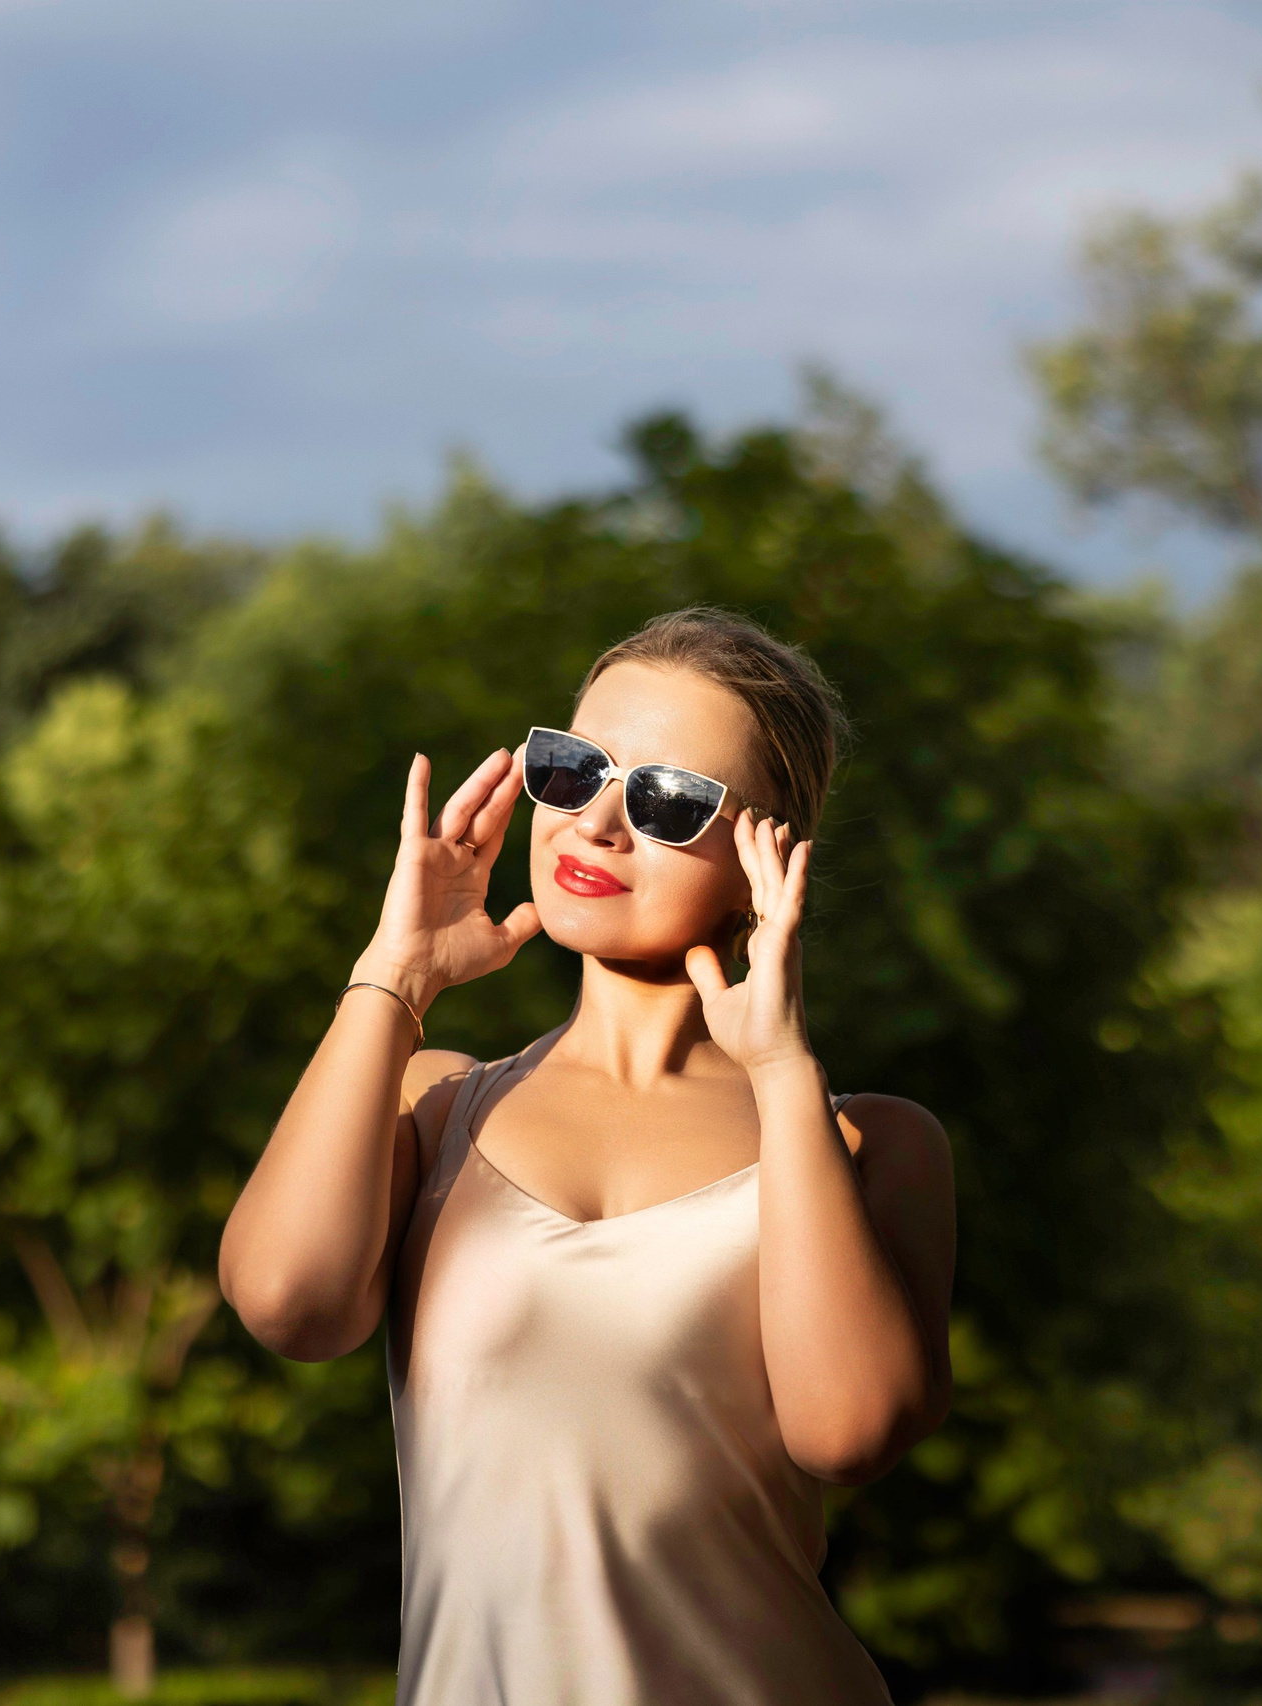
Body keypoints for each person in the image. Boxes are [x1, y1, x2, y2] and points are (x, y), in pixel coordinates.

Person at [218, 607, 957, 1705]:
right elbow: (290, 1302)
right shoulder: (433, 1099)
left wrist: (784, 1074)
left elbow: (848, 1430)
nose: (597, 823)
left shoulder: (860, 1137)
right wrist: (396, 974)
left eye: (665, 799)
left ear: (767, 852)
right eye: (571, 771)